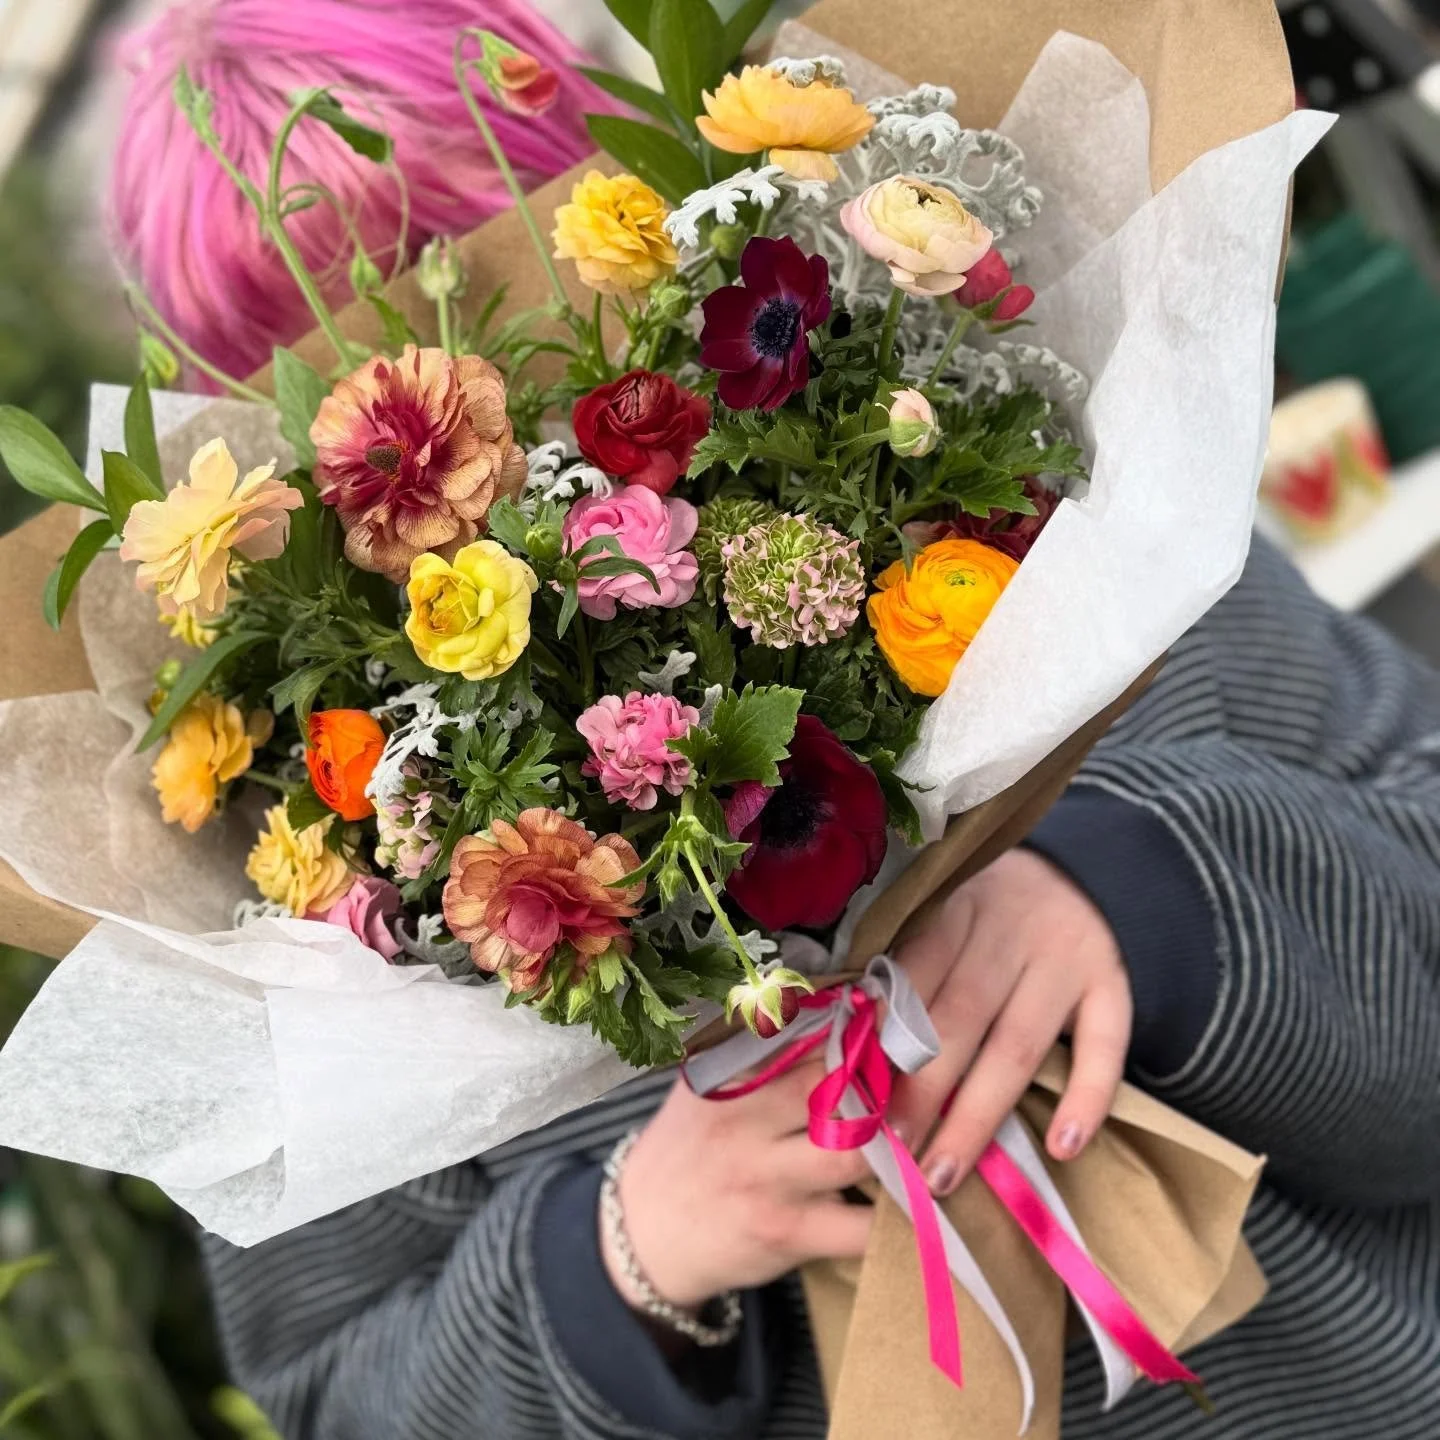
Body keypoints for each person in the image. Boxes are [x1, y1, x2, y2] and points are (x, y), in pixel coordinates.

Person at [200, 537, 1440, 1439]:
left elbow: (1412, 786)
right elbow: (334, 1385)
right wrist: (617, 1265)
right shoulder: (285, 918)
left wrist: (1141, 890)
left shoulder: (1068, 536)